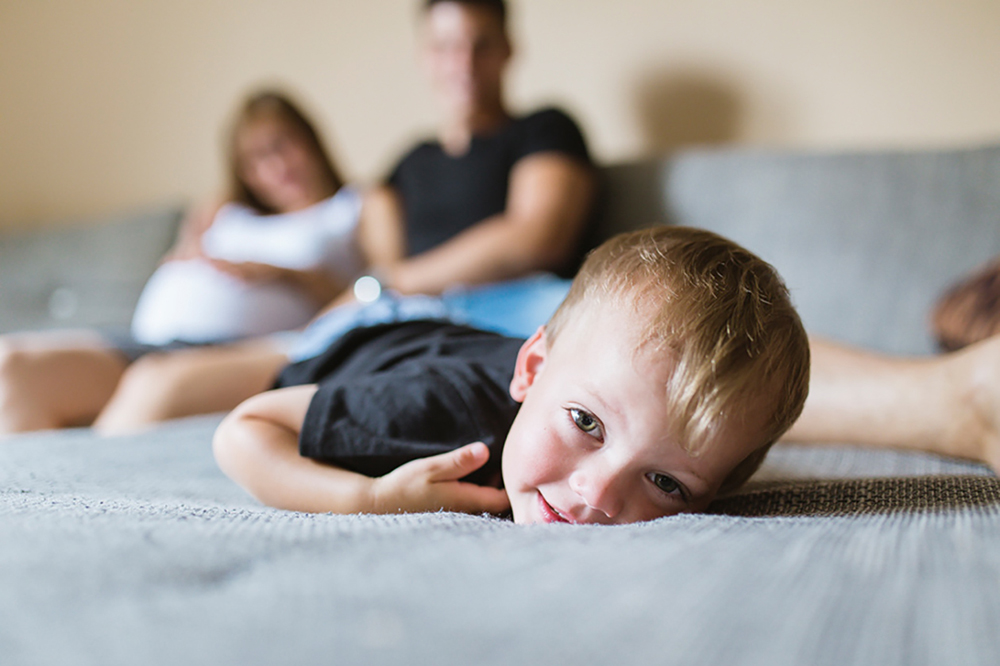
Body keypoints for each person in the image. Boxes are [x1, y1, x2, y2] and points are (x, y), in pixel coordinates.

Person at [213, 226, 812, 524]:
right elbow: (244, 429)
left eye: (666, 482)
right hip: (354, 333)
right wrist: (365, 497)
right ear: (533, 371)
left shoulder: (577, 396)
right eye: (586, 423)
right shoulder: (440, 413)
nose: (597, 496)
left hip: (464, 333)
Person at [0, 91, 363, 435]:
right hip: (153, 338)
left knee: (148, 391)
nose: (274, 166)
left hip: (238, 349)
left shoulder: (354, 205)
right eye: (254, 159)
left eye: (282, 145)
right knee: (11, 366)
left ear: (310, 139)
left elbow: (381, 292)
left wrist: (280, 273)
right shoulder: (225, 208)